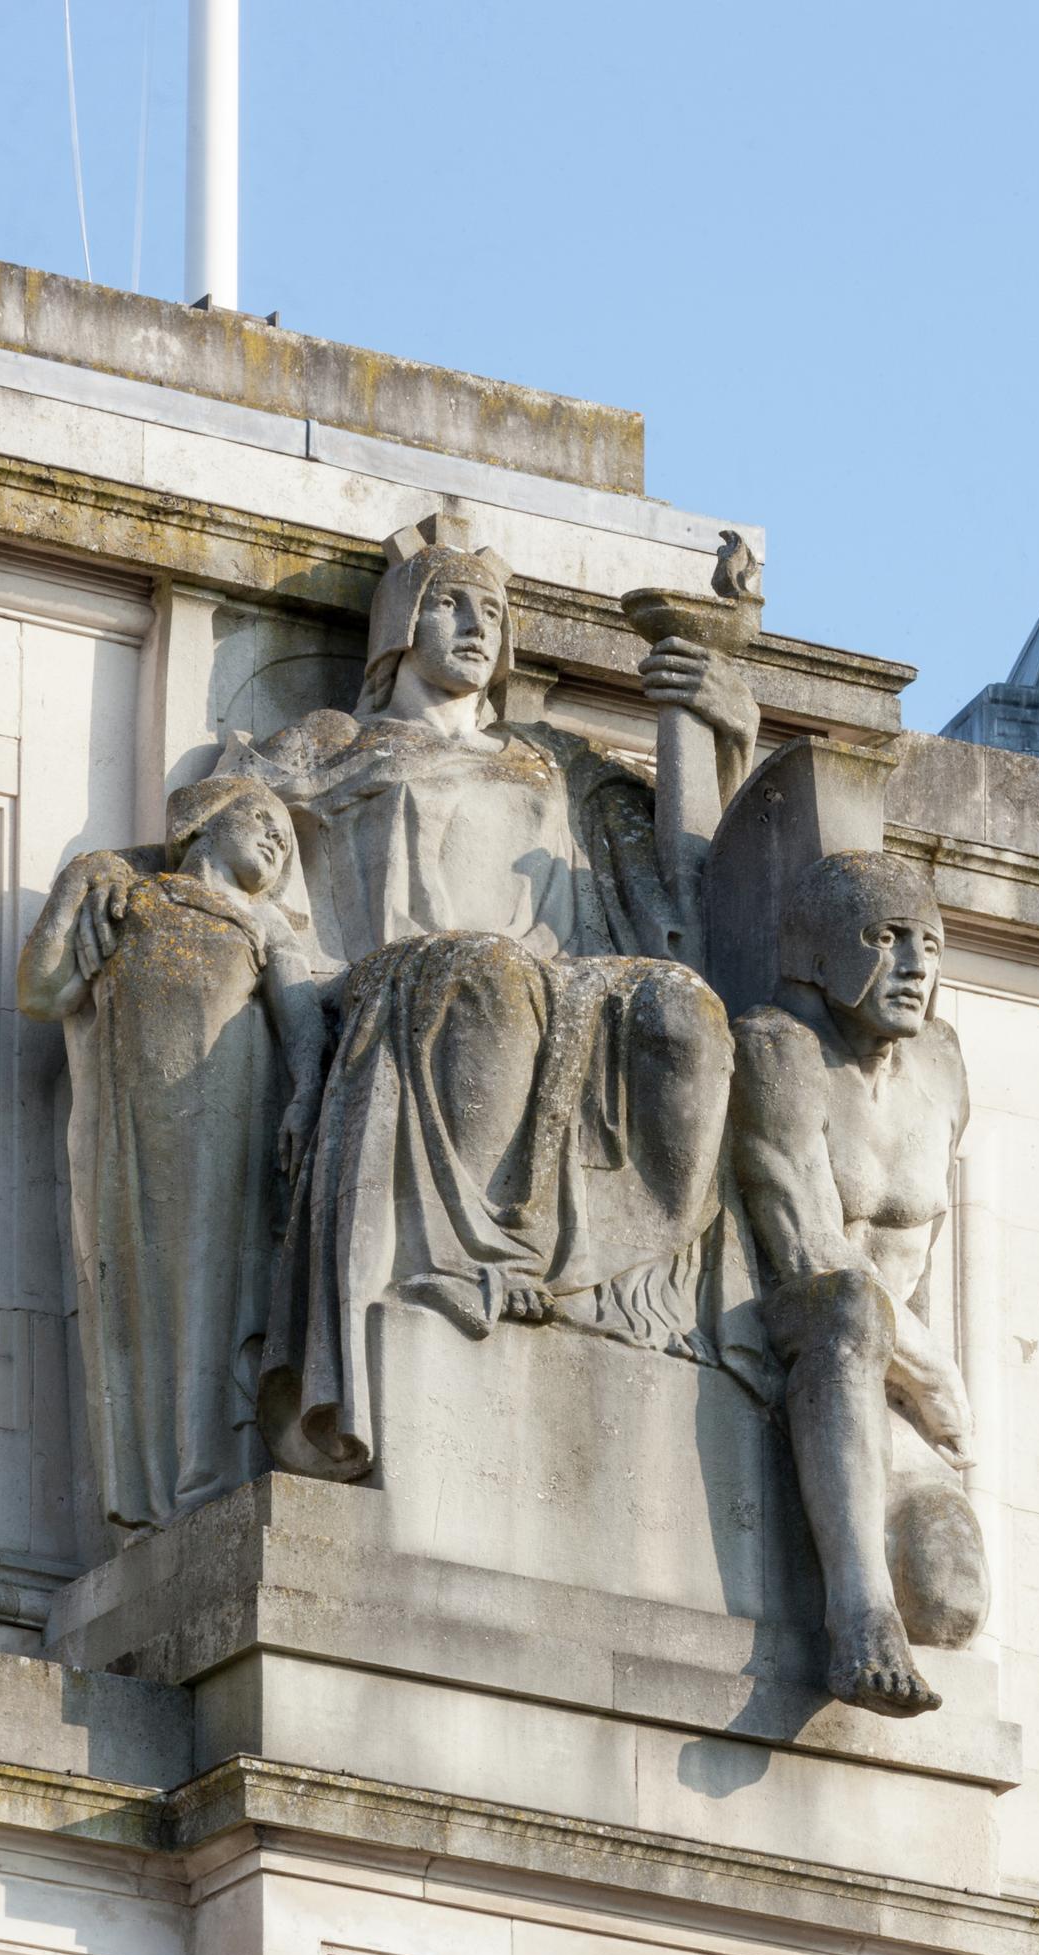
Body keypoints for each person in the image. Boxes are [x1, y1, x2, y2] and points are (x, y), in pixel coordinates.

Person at [234, 518, 767, 1480]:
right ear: (400, 626)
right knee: (488, 972)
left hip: (566, 992)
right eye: (449, 604)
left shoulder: (551, 761)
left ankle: (614, 1284)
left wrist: (722, 731)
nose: (475, 627)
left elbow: (687, 889)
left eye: (492, 612)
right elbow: (230, 841)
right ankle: (468, 1259)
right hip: (392, 988)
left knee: (682, 1010)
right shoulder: (335, 748)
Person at [18, 777, 324, 1535]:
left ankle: (209, 1469)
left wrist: (307, 1092)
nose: (279, 840)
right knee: (138, 1290)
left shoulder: (264, 926)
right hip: (129, 1130)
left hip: (229, 1125)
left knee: (214, 1286)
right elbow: (43, 991)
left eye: (287, 838)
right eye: (263, 818)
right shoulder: (131, 897)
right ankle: (156, 1482)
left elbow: (303, 1022)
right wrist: (82, 879)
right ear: (201, 824)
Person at [729, 851, 989, 1716]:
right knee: (849, 1306)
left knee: (952, 1604)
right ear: (820, 951)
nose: (916, 968)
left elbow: (926, 1256)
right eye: (887, 940)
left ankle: (895, 1586)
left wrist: (925, 1402)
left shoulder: (943, 1065)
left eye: (932, 946)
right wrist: (937, 1372)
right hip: (803, 1333)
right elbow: (806, 1244)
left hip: (892, 1397)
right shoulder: (779, 1048)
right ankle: (858, 1614)